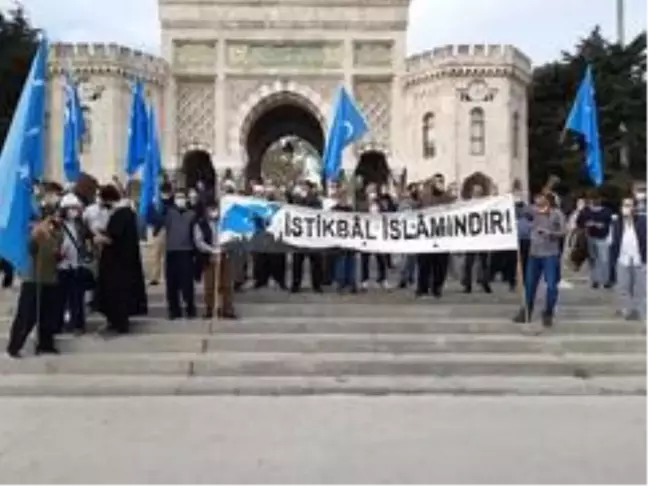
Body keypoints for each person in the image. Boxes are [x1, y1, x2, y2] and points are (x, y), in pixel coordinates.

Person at [6, 214, 63, 358]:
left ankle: (46, 344)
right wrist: (35, 235)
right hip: (33, 279)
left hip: (50, 278)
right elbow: (28, 250)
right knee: (26, 315)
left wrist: (58, 254)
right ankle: (15, 346)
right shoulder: (33, 233)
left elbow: (56, 254)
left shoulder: (57, 234)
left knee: (48, 315)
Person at [95, 185, 148, 335]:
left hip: (117, 264)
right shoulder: (126, 213)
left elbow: (114, 238)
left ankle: (118, 323)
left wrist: (99, 238)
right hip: (122, 262)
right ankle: (115, 321)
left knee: (116, 295)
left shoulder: (121, 214)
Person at [513, 191, 566, 328]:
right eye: (537, 198)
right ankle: (526, 310)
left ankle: (548, 312)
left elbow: (563, 231)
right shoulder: (533, 212)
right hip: (534, 254)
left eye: (541, 198)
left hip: (550, 254)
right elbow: (522, 212)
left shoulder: (556, 214)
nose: (538, 200)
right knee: (530, 285)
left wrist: (550, 233)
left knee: (551, 286)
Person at [152, 189, 197, 319]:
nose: (180, 199)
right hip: (172, 251)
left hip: (187, 251)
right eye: (178, 197)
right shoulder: (168, 213)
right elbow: (157, 223)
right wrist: (158, 205)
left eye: (182, 197)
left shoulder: (191, 214)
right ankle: (174, 310)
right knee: (172, 284)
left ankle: (190, 308)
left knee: (187, 283)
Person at [56, 193, 91, 335]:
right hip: (61, 266)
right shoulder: (57, 224)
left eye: (75, 208)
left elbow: (85, 240)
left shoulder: (79, 224)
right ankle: (60, 324)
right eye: (70, 208)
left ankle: (78, 325)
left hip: (76, 265)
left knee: (77, 298)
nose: (74, 211)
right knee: (60, 299)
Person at [610, 196, 648, 320]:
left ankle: (641, 312)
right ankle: (628, 310)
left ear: (635, 208)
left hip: (640, 259)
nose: (627, 208)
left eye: (630, 205)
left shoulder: (643, 221)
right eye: (625, 205)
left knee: (641, 288)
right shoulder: (617, 223)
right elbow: (614, 241)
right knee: (623, 287)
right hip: (623, 259)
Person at [417, 174, 453, 297]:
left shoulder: (448, 198)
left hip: (442, 237)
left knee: (441, 265)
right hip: (426, 237)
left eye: (441, 181)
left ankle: (437, 288)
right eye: (437, 181)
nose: (439, 184)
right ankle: (422, 288)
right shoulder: (425, 197)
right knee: (424, 264)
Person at [577, 190, 614, 289]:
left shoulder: (607, 211)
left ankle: (605, 280)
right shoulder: (585, 211)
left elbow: (612, 224)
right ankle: (595, 280)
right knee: (593, 259)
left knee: (604, 259)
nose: (595, 201)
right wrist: (587, 224)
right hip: (590, 236)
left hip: (603, 237)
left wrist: (603, 226)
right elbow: (579, 223)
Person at [462, 184, 492, 294]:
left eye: (479, 192)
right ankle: (467, 285)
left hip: (482, 236)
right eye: (476, 191)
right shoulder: (468, 205)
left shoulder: (486, 204)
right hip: (471, 237)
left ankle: (485, 283)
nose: (477, 193)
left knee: (484, 262)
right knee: (469, 262)